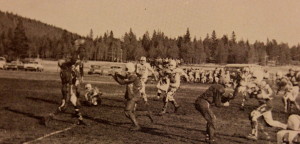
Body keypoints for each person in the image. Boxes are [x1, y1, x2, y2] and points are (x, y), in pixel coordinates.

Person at [44, 39, 86, 126]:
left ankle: (80, 119)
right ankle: (49, 117)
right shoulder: (65, 69)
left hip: (69, 87)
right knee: (64, 106)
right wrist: (77, 47)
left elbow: (72, 62)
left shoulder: (66, 68)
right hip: (66, 88)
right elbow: (73, 61)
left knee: (76, 103)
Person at [246, 72, 287, 141]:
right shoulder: (256, 87)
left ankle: (254, 135)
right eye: (252, 79)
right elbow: (252, 96)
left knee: (253, 115)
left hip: (267, 104)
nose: (253, 80)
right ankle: (286, 126)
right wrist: (251, 93)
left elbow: (272, 94)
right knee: (270, 122)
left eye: (254, 78)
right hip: (265, 105)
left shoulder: (264, 84)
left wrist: (264, 96)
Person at [113, 62, 153, 131]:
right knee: (128, 112)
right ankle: (146, 113)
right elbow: (124, 77)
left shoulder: (133, 76)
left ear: (129, 69)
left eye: (126, 69)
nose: (125, 70)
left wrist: (114, 77)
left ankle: (136, 125)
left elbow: (122, 82)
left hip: (134, 96)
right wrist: (117, 75)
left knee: (128, 111)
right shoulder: (131, 75)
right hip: (132, 95)